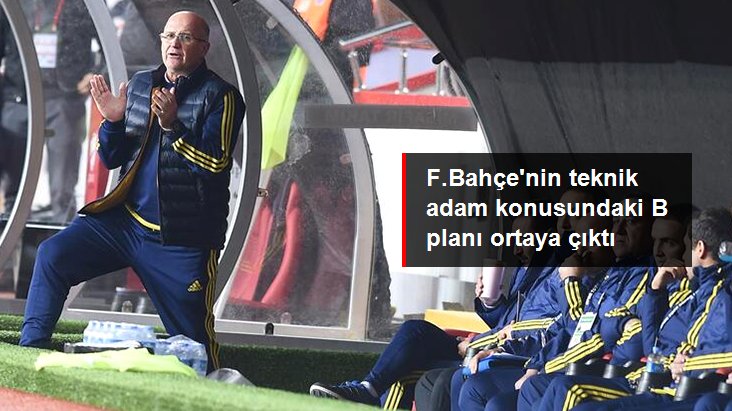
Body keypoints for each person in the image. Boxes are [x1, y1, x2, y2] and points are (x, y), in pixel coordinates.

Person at [19, 10, 245, 372]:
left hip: (181, 240)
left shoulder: (223, 96)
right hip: (123, 223)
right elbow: (111, 158)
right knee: (52, 254)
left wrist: (172, 126)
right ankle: (30, 352)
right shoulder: (141, 84)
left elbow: (215, 165)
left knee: (196, 346)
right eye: (169, 35)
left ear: (204, 47)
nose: (174, 43)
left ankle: (215, 390)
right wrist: (111, 123)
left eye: (186, 37)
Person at [309, 214, 558, 408]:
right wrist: (491, 302)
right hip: (483, 344)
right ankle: (367, 388)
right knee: (415, 331)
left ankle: (367, 390)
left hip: (504, 354)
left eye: (524, 239)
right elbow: (506, 321)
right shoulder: (525, 270)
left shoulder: (558, 277)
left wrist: (478, 342)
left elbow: (534, 329)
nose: (516, 249)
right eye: (514, 239)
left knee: (412, 370)